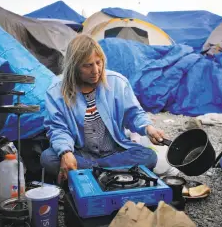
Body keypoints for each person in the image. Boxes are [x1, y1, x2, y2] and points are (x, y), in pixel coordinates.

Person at [40, 34, 168, 184]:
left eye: (98, 62)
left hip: (115, 153)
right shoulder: (56, 91)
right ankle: (111, 174)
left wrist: (148, 128)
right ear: (74, 67)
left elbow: (134, 114)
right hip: (82, 155)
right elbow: (58, 128)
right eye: (87, 65)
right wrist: (66, 153)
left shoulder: (117, 82)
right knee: (48, 158)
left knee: (149, 156)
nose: (96, 70)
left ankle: (93, 174)